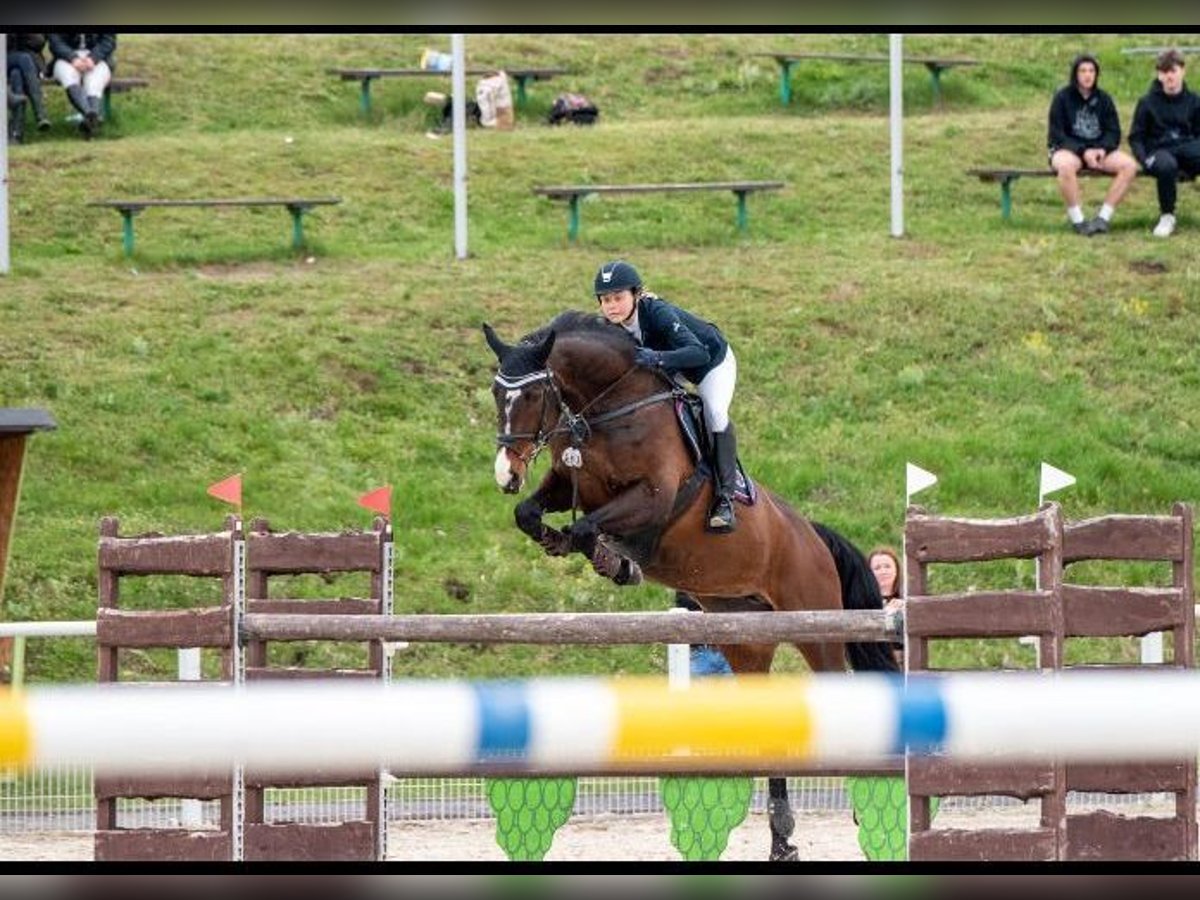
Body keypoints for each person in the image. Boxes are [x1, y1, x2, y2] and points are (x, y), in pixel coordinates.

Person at [593, 259, 741, 533]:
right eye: (605, 300)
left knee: (715, 412)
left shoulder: (657, 312)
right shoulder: (610, 327)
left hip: (710, 362)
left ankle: (725, 498)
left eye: (618, 298)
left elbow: (698, 353)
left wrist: (658, 357)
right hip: (670, 366)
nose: (611, 305)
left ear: (636, 295)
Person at [1047, 53, 1139, 236]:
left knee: (1129, 165)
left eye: (1091, 70)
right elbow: (1056, 134)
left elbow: (1114, 132)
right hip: (1068, 150)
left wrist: (1101, 149)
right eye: (1083, 71)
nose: (1087, 75)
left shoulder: (1104, 99)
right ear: (1075, 74)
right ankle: (1078, 221)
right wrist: (1083, 151)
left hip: (1099, 151)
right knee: (1065, 166)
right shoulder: (1062, 98)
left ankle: (1103, 218)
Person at [1129, 48, 1200, 238]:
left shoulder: (1194, 100)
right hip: (1158, 151)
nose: (1169, 76)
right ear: (1159, 74)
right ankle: (1167, 216)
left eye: (1173, 71)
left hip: (1186, 147)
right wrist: (1144, 160)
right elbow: (1136, 137)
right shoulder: (1147, 102)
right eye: (1164, 72)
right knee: (1167, 165)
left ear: (1183, 71)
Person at [47, 32, 117, 139]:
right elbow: (55, 42)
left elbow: (108, 41)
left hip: (98, 59)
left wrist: (93, 58)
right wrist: (72, 58)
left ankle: (90, 120)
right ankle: (90, 114)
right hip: (66, 58)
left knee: (94, 82)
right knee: (69, 77)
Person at [6, 33, 51, 144]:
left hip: (29, 64)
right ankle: (41, 113)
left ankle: (16, 134)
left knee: (17, 75)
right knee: (24, 59)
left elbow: (39, 42)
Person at [868, 546, 904, 668]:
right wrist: (884, 614)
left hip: (904, 663)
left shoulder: (907, 599)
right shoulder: (863, 601)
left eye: (887, 566)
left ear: (896, 569)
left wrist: (904, 610)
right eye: (877, 568)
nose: (883, 571)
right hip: (872, 662)